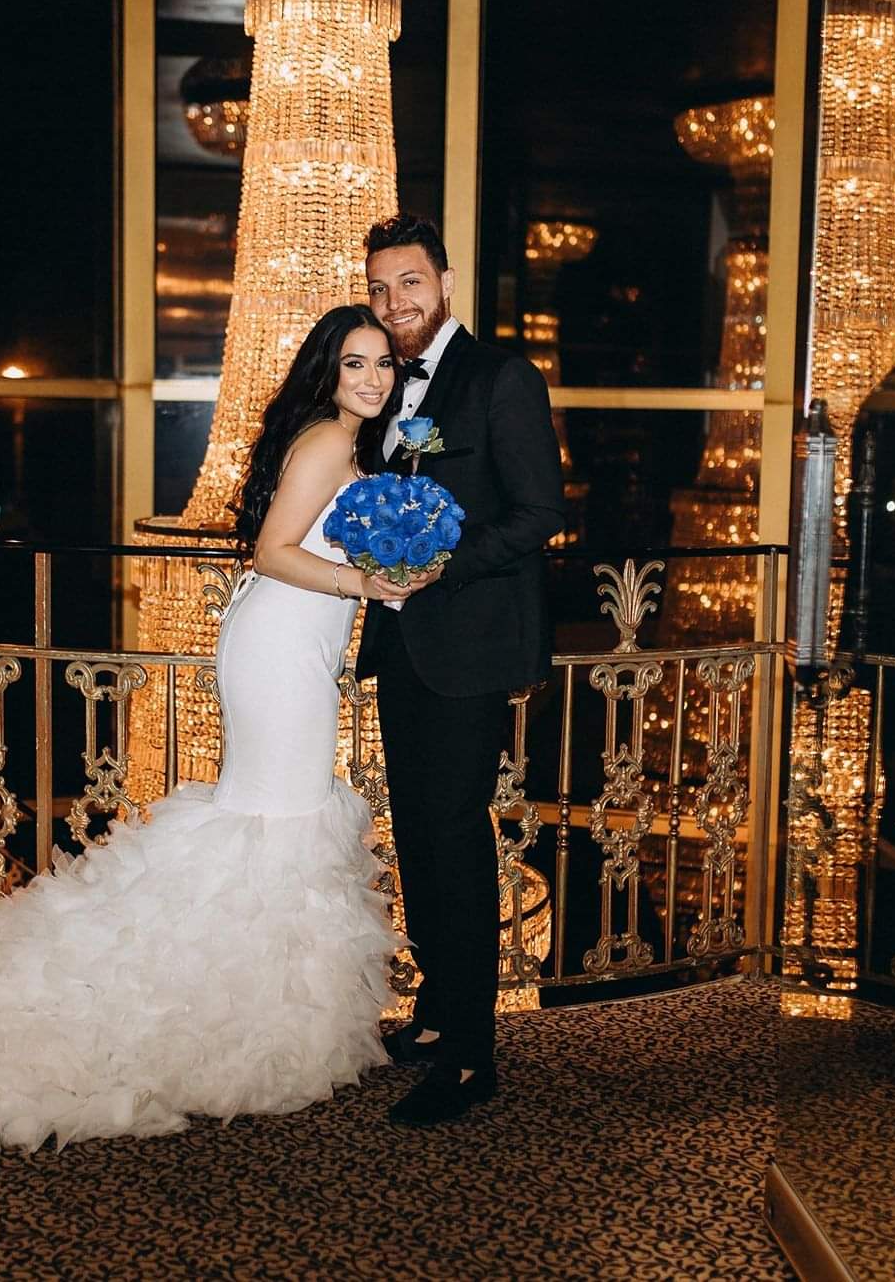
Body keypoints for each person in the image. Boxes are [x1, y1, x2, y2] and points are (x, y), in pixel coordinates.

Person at [0, 304, 414, 1158]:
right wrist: (366, 584)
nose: (372, 378)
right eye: (355, 363)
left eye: (383, 364)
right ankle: (242, 1012)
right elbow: (271, 550)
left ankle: (242, 999)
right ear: (328, 371)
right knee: (280, 819)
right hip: (283, 647)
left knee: (272, 817)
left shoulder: (349, 444)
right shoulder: (330, 440)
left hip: (292, 641)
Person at [357, 213, 566, 1128]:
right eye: (379, 287)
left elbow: (539, 512)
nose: (394, 301)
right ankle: (440, 1011)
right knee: (417, 834)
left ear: (444, 282)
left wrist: (439, 562)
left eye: (409, 282)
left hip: (470, 645)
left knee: (455, 837)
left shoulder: (501, 378)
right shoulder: (385, 385)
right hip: (403, 646)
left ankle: (473, 1056)